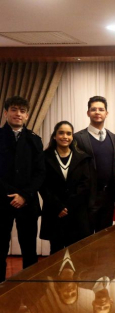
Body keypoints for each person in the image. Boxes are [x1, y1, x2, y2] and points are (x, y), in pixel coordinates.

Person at [0, 96, 45, 283]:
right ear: (5, 112)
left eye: (22, 111)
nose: (18, 114)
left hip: (28, 202)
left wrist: (24, 195)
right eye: (14, 109)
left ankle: (30, 286)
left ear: (27, 115)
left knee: (29, 248)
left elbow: (40, 173)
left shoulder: (35, 140)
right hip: (2, 201)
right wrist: (11, 194)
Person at [39, 121, 91, 254]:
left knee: (77, 254)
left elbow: (85, 185)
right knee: (55, 253)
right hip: (54, 212)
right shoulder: (44, 157)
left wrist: (68, 206)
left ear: (72, 137)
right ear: (55, 136)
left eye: (69, 133)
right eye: (61, 133)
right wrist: (58, 206)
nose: (65, 136)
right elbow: (43, 185)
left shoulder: (82, 158)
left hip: (76, 212)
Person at [74, 96, 115, 232]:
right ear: (88, 113)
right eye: (93, 109)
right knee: (86, 240)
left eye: (101, 109)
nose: (97, 112)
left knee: (105, 239)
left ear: (106, 113)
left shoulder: (113, 137)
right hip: (87, 197)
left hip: (108, 197)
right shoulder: (78, 138)